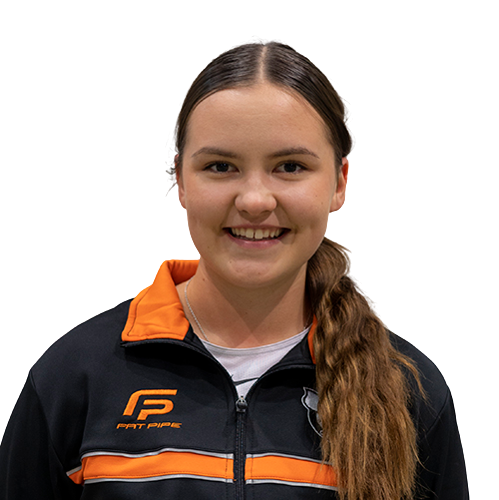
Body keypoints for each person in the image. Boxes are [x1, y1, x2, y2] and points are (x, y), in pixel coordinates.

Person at [0, 37, 467, 499]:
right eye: (221, 166)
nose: (255, 200)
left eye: (290, 166)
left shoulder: (410, 390)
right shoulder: (73, 376)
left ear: (340, 183)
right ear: (181, 180)